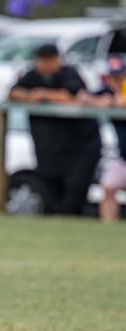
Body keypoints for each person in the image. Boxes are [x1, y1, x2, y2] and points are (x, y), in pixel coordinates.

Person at [9, 44, 101, 215]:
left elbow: (74, 95)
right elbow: (13, 93)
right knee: (51, 189)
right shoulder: (33, 76)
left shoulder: (69, 74)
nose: (44, 65)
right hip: (50, 149)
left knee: (75, 189)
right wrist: (30, 96)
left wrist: (44, 95)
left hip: (80, 147)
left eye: (48, 60)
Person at [80, 54, 126, 221]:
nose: (116, 80)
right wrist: (101, 101)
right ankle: (108, 229)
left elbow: (122, 101)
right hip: (123, 158)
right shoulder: (106, 90)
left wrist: (112, 101)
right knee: (107, 187)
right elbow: (82, 96)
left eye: (119, 76)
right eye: (112, 77)